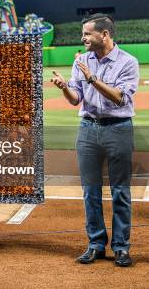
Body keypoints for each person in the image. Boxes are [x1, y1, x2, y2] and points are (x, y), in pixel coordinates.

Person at [50, 13, 139, 267]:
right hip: (88, 128)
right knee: (90, 191)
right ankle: (96, 244)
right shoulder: (82, 61)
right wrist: (64, 87)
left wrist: (91, 78)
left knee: (120, 191)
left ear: (104, 34)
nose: (83, 38)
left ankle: (121, 247)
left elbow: (120, 98)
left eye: (88, 33)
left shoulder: (128, 62)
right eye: (84, 33)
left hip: (118, 128)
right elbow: (76, 98)